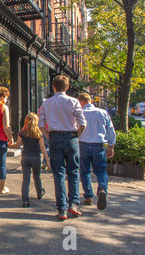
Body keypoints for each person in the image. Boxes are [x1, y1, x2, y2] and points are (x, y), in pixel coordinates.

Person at [38, 75, 86, 220]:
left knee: (58, 173)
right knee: (73, 171)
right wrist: (76, 136)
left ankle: (62, 209)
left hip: (54, 137)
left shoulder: (47, 103)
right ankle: (74, 204)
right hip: (70, 136)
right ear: (67, 87)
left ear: (53, 87)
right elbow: (83, 123)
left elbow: (41, 125)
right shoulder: (74, 102)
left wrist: (49, 136)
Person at [77, 93, 116, 210]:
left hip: (83, 145)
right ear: (91, 101)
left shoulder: (80, 113)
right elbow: (110, 130)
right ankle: (102, 189)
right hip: (99, 146)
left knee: (85, 171)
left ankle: (88, 196)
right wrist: (111, 146)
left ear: (80, 102)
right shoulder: (102, 112)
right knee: (101, 171)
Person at [9, 112, 50, 207]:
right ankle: (39, 193)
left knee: (26, 179)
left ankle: (25, 200)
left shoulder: (22, 132)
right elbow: (43, 147)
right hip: (36, 157)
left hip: (25, 157)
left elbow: (18, 145)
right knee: (37, 176)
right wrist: (47, 161)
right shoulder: (38, 133)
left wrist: (10, 145)